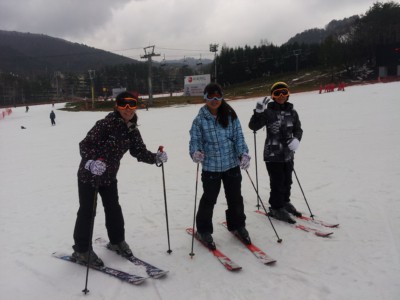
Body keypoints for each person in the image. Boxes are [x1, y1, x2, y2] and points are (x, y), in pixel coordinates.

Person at [72, 91, 168, 266]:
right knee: (87, 211)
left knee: (113, 208)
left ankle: (116, 241)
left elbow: (138, 151)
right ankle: (81, 250)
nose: (128, 109)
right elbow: (84, 145)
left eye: (132, 104)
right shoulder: (105, 124)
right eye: (124, 104)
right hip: (89, 176)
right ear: (117, 106)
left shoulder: (132, 129)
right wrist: (91, 163)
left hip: (109, 177)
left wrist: (155, 157)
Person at [189, 82, 252, 249]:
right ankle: (203, 230)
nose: (214, 100)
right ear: (205, 98)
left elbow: (238, 137)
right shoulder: (199, 120)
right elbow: (195, 140)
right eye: (210, 96)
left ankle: (238, 225)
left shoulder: (230, 115)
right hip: (211, 167)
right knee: (209, 199)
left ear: (222, 97)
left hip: (231, 164)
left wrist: (243, 153)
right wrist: (196, 152)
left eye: (218, 96)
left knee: (235, 197)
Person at [248, 82, 303, 224]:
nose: (281, 96)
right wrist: (258, 113)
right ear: (272, 96)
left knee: (288, 180)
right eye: (277, 93)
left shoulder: (293, 112)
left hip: (288, 154)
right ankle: (276, 207)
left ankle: (285, 201)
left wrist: (297, 139)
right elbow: (253, 126)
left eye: (284, 93)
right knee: (277, 181)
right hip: (273, 154)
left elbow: (298, 129)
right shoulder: (268, 112)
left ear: (288, 94)